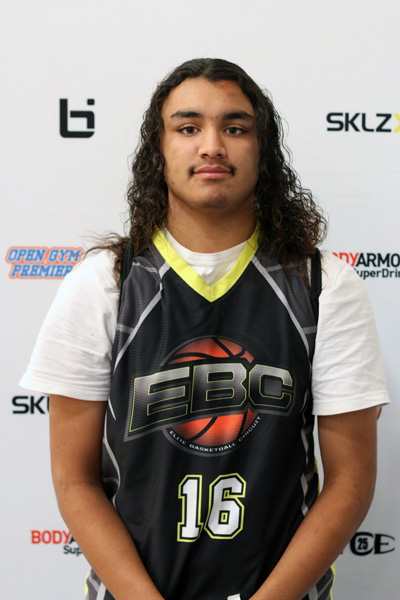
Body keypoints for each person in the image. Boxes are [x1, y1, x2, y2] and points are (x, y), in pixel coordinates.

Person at [21, 58, 390, 600]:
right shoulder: (105, 284)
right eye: (188, 127)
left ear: (263, 151)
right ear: (159, 150)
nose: (212, 146)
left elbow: (350, 483)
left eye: (235, 128)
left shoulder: (322, 285)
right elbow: (74, 480)